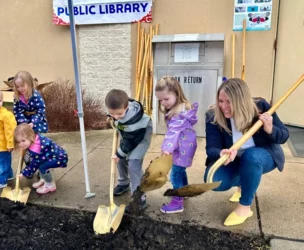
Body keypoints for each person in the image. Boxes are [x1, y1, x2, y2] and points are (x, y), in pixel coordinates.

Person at [204, 78, 289, 226]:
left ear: (241, 100)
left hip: (262, 156)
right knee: (213, 181)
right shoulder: (213, 115)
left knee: (252, 157)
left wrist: (270, 129)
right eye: (221, 101)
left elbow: (284, 135)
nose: (224, 106)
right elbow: (211, 148)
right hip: (236, 159)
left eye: (229, 102)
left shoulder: (261, 107)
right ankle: (245, 181)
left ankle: (244, 206)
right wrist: (221, 153)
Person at [155, 76, 198, 214]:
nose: (163, 102)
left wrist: (166, 149)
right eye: (160, 100)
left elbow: (173, 133)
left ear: (177, 94)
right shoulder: (183, 109)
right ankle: (185, 191)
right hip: (185, 145)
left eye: (166, 99)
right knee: (180, 171)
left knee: (175, 175)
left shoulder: (178, 114)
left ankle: (177, 202)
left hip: (182, 147)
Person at [105, 89, 152, 212]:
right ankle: (124, 183)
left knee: (133, 165)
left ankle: (139, 198)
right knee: (120, 159)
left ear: (127, 107)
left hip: (140, 137)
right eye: (112, 113)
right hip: (128, 135)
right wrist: (112, 118)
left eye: (119, 114)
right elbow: (115, 116)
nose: (115, 117)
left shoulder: (134, 121)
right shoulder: (119, 109)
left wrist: (120, 153)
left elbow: (131, 141)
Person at [15, 124, 68, 194]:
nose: (21, 144)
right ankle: (44, 179)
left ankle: (50, 185)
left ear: (31, 136)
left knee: (42, 166)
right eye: (18, 142)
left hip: (59, 158)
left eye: (23, 140)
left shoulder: (35, 150)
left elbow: (33, 165)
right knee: (41, 163)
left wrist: (24, 173)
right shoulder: (35, 137)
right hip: (53, 155)